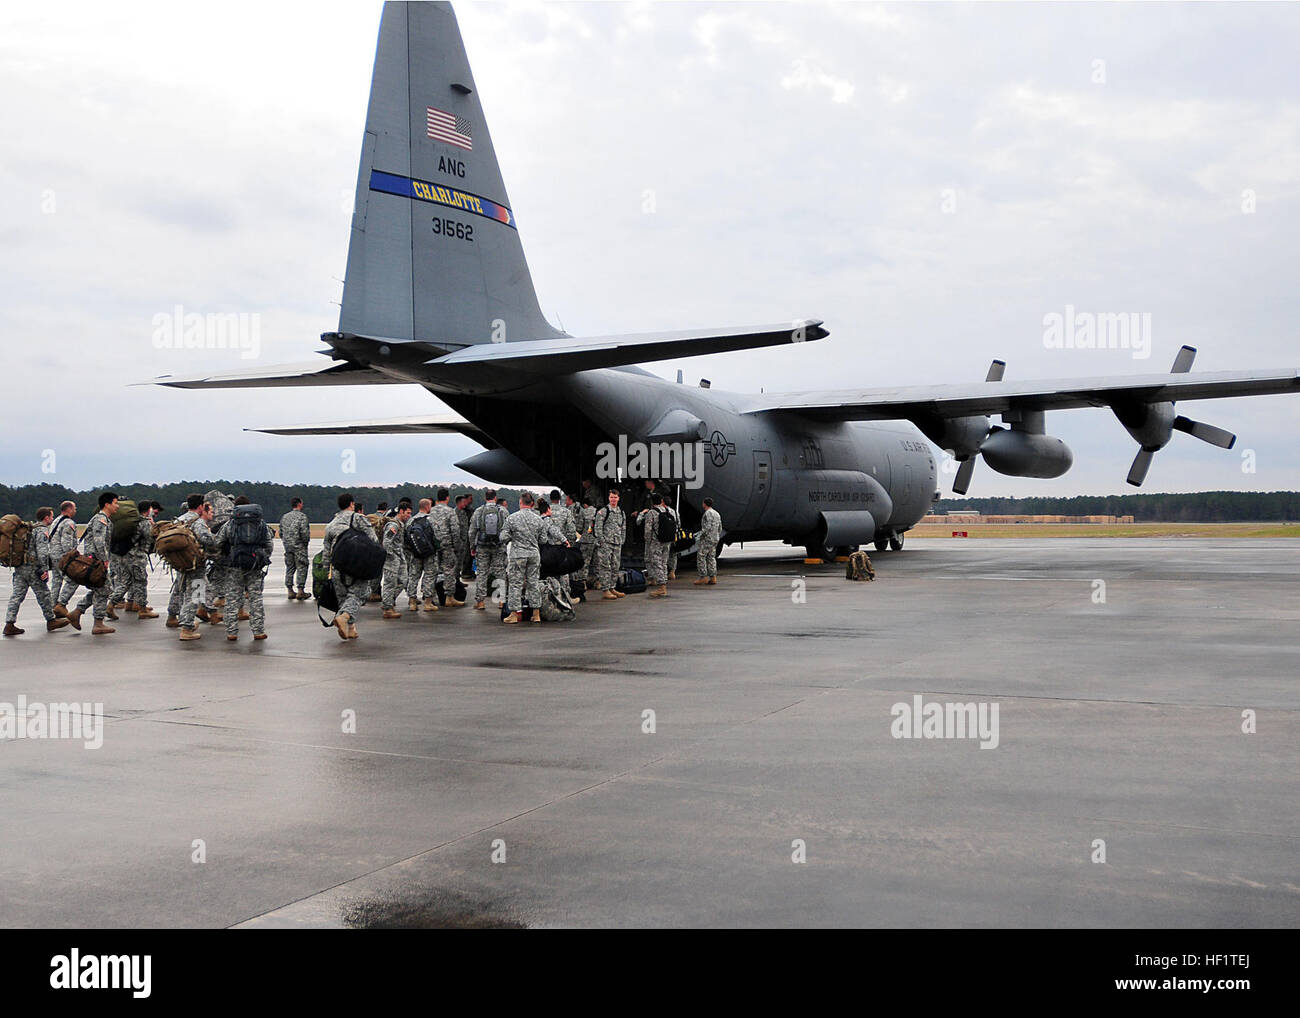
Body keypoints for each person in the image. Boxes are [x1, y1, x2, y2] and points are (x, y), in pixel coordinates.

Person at [499, 491, 565, 624]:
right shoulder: (538, 520)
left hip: (518, 555)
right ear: (532, 504)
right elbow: (543, 539)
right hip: (534, 555)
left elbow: (503, 537)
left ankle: (513, 614)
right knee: (533, 583)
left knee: (515, 584)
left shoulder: (512, 518)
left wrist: (514, 537)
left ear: (520, 502)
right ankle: (536, 614)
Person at [4, 507, 70, 636]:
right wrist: (44, 569)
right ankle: (51, 621)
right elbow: (43, 552)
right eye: (51, 516)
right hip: (33, 568)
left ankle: (9, 623)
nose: (52, 519)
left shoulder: (30, 529)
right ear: (46, 518)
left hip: (20, 567)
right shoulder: (42, 530)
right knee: (44, 595)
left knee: (17, 596)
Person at [218, 496, 273, 641]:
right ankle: (258, 631)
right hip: (255, 565)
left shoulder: (230, 524)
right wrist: (263, 558)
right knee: (255, 599)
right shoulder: (261, 524)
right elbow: (269, 544)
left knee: (232, 599)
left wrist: (225, 556)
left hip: (235, 565)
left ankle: (232, 632)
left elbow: (218, 542)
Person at [322, 492, 376, 640]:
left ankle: (351, 629)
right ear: (352, 504)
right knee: (360, 594)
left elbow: (326, 551)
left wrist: (327, 571)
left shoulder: (331, 524)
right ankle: (344, 617)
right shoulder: (357, 518)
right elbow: (373, 539)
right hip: (356, 564)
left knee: (343, 597)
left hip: (338, 566)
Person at [68, 491, 119, 635]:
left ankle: (77, 612)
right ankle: (98, 623)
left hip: (96, 559)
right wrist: (104, 560)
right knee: (104, 589)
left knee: (100, 589)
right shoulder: (100, 520)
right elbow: (99, 541)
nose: (117, 506)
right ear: (107, 504)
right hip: (96, 560)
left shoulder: (104, 519)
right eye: (115, 503)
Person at [176, 498, 220, 640]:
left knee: (185, 594)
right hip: (196, 564)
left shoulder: (180, 519)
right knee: (195, 595)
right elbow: (207, 540)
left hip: (181, 562)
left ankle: (184, 621)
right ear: (200, 506)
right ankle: (187, 629)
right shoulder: (197, 521)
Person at [468, 489, 509, 610]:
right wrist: (504, 543)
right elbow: (508, 529)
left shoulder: (479, 511)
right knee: (500, 572)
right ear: (495, 498)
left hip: (482, 546)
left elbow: (472, 531)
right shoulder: (502, 511)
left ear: (485, 498)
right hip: (498, 546)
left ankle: (480, 602)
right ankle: (501, 601)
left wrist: (472, 546)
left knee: (482, 573)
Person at [122, 500, 159, 619]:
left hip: (129, 554)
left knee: (131, 581)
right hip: (138, 556)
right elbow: (150, 537)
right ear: (148, 510)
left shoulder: (135, 521)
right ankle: (142, 609)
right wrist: (154, 527)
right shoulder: (145, 522)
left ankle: (130, 603)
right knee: (141, 581)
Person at [429, 488, 464, 607]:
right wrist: (457, 546)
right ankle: (449, 597)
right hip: (447, 545)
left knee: (432, 571)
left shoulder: (431, 511)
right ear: (447, 498)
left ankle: (429, 597)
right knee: (449, 570)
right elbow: (455, 530)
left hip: (433, 546)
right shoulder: (450, 511)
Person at [592, 489, 627, 600]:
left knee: (615, 566)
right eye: (611, 497)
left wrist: (622, 540)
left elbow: (623, 528)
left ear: (618, 498)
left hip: (617, 543)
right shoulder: (603, 511)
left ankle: (612, 587)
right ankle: (605, 589)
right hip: (606, 543)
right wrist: (601, 541)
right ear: (608, 498)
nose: (613, 499)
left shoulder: (621, 512)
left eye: (615, 497)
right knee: (605, 567)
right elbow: (598, 528)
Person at [637, 493, 673, 598]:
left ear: (652, 502)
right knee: (664, 562)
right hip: (666, 541)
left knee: (656, 562)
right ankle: (664, 581)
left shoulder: (651, 513)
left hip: (656, 541)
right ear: (661, 500)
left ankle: (662, 587)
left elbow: (648, 530)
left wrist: (647, 541)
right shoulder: (667, 510)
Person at [406, 497, 437, 612]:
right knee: (429, 575)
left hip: (415, 553)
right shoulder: (431, 520)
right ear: (428, 507)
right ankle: (428, 602)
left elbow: (406, 538)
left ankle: (412, 601)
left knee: (413, 576)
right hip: (429, 553)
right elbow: (437, 536)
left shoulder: (411, 520)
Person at [48, 501, 79, 618]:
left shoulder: (56, 520)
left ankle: (52, 606)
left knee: (56, 582)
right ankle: (61, 605)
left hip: (53, 555)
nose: (76, 510)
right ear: (69, 509)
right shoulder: (68, 523)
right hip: (62, 557)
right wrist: (72, 557)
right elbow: (66, 543)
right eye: (74, 508)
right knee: (73, 580)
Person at [381, 503, 412, 619]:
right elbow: (386, 542)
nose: (409, 516)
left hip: (399, 556)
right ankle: (387, 608)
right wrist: (391, 556)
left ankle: (388, 601)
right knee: (390, 582)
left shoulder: (400, 525)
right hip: (392, 558)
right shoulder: (393, 525)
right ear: (401, 512)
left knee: (403, 580)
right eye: (407, 513)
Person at [279, 497, 311, 601]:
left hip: (287, 546)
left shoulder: (285, 517)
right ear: (299, 504)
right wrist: (305, 543)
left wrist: (286, 542)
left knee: (290, 567)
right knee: (302, 567)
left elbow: (280, 532)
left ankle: (290, 590)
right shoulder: (302, 517)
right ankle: (300, 590)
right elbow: (304, 533)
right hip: (299, 546)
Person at [694, 497, 722, 585]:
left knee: (701, 556)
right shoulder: (717, 513)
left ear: (704, 504)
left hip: (707, 539)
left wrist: (699, 536)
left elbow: (707, 528)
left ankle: (703, 577)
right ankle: (713, 577)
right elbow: (720, 527)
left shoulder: (707, 513)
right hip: (715, 538)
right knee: (711, 557)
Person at [576, 496, 597, 590]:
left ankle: (583, 583)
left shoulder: (583, 512)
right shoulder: (599, 512)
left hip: (586, 541)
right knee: (598, 562)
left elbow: (579, 527)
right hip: (597, 541)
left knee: (584, 563)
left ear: (585, 505)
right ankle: (598, 582)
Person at [455, 492, 474, 579]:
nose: (471, 501)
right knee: (463, 558)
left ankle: (462, 575)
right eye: (470, 499)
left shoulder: (468, 510)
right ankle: (463, 573)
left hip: (467, 537)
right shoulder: (456, 512)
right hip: (461, 540)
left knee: (467, 557)